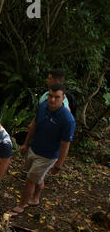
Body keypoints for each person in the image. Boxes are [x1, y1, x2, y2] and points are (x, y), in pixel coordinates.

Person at [12, 84, 75, 216]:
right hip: (34, 148)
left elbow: (65, 144)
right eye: (50, 96)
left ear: (63, 98)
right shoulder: (43, 107)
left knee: (30, 180)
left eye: (57, 97)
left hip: (48, 155)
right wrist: (25, 144)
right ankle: (35, 198)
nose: (52, 100)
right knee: (35, 175)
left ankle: (21, 205)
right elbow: (33, 126)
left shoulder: (67, 119)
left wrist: (58, 166)